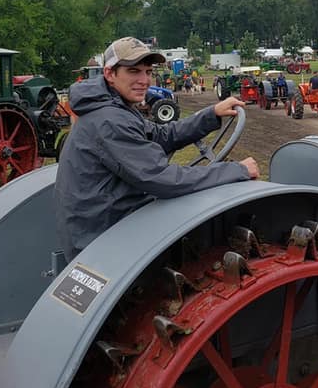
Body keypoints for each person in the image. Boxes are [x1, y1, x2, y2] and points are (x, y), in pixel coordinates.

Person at [54, 36, 260, 261]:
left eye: (148, 72)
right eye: (134, 71)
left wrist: (211, 115)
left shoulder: (115, 106)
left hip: (112, 218)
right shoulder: (109, 120)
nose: (145, 80)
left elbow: (162, 135)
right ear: (109, 74)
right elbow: (162, 179)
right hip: (105, 238)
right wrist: (237, 171)